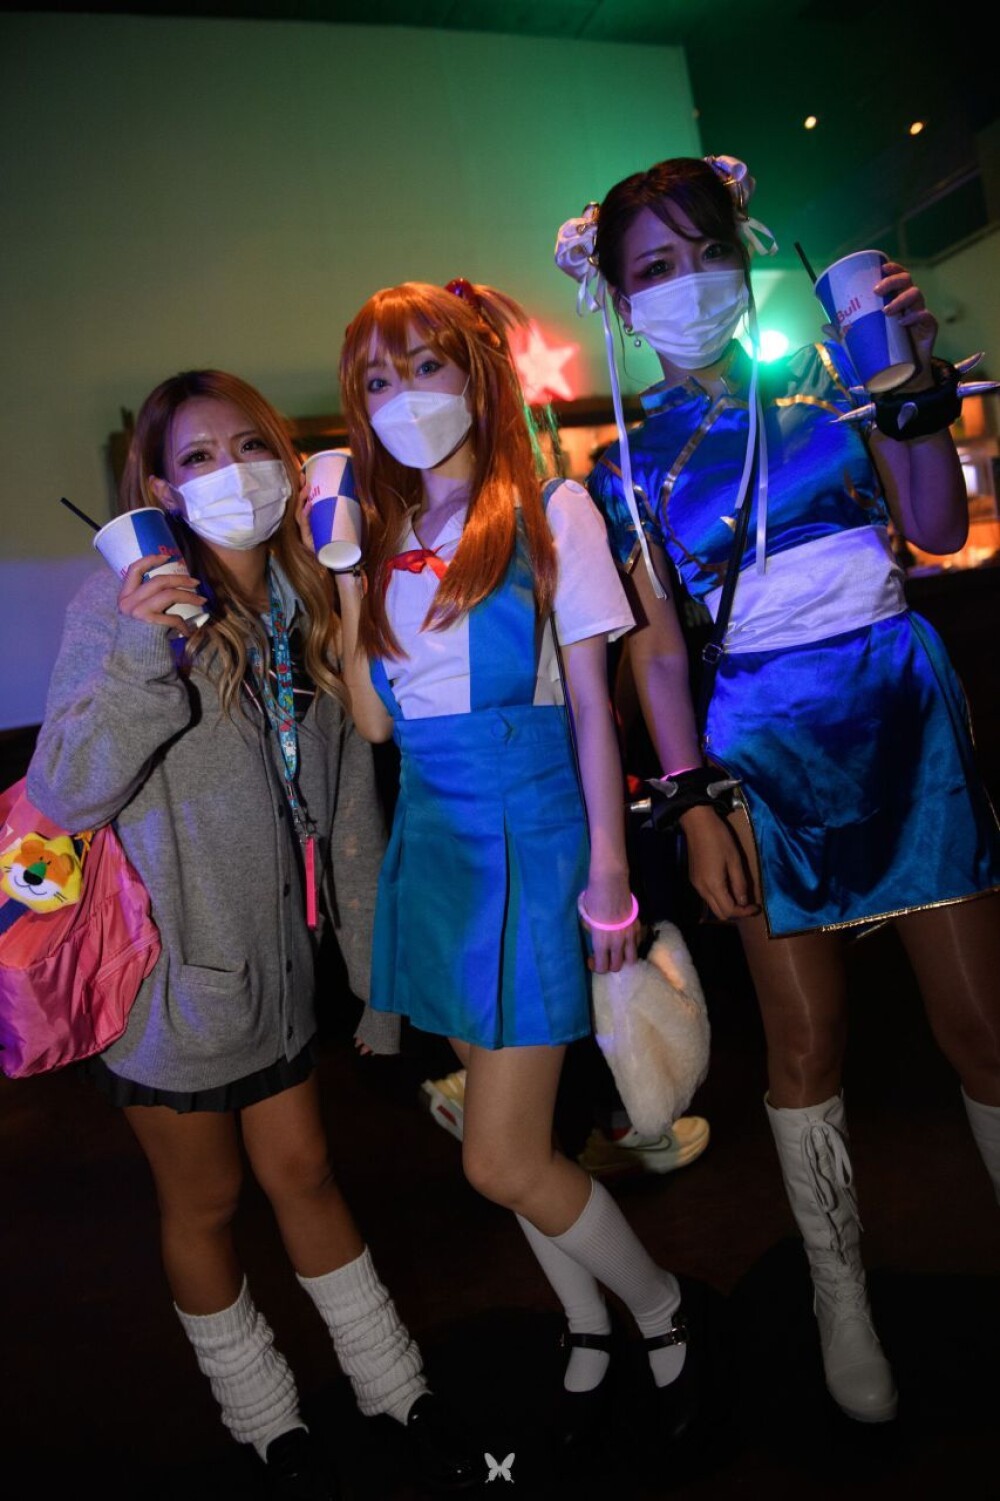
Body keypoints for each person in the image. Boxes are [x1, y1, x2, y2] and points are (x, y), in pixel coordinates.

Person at [554, 154, 1000, 1425]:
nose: (689, 281)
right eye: (655, 266)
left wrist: (905, 385)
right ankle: (838, 1297)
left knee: (980, 1025)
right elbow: (654, 653)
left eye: (707, 252)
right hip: (757, 747)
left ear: (745, 255)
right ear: (616, 299)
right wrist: (690, 799)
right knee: (804, 1040)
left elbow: (935, 529)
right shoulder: (622, 467)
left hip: (902, 714)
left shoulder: (827, 378)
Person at [26, 370, 480, 1498]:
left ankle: (397, 1390)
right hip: (171, 988)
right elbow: (67, 790)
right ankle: (267, 1421)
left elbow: (353, 816)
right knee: (207, 1203)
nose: (231, 472)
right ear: (158, 489)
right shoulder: (117, 608)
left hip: (281, 976)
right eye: (198, 457)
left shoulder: (308, 601)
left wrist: (374, 985)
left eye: (249, 445)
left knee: (309, 1171)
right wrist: (146, 652)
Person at [330, 278, 704, 1447]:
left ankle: (660, 1301)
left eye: (424, 366)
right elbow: (374, 721)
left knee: (496, 1156)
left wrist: (609, 873)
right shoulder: (386, 542)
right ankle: (586, 1317)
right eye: (378, 379)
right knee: (517, 1137)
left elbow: (594, 708)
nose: (403, 396)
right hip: (436, 846)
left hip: (533, 840)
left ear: (475, 373)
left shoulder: (554, 510)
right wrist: (342, 574)